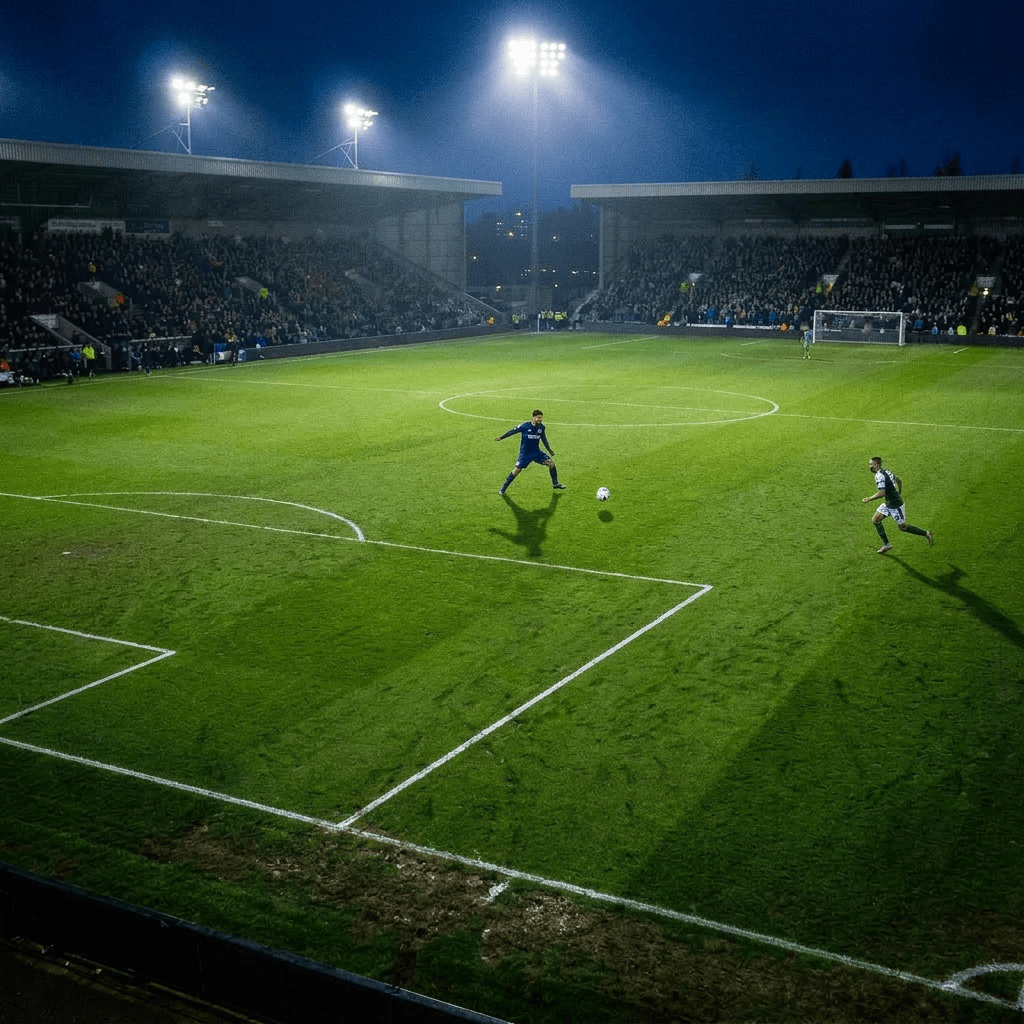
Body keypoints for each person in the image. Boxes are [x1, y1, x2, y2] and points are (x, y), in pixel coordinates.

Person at [862, 456, 933, 554]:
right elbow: (899, 480)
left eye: (871, 464)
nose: (870, 467)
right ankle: (887, 545)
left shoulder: (879, 475)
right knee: (876, 520)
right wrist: (899, 492)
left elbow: (882, 493)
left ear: (877, 465)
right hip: (889, 503)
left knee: (902, 527)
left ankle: (926, 533)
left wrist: (869, 499)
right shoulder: (887, 471)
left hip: (896, 505)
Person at [496, 410, 566, 495]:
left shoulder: (541, 427)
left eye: (541, 418)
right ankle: (503, 489)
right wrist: (501, 438)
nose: (540, 420)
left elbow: (544, 439)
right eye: (538, 418)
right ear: (533, 417)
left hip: (536, 452)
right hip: (525, 453)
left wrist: (549, 450)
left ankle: (555, 483)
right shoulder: (524, 426)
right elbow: (512, 431)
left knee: (551, 464)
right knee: (516, 470)